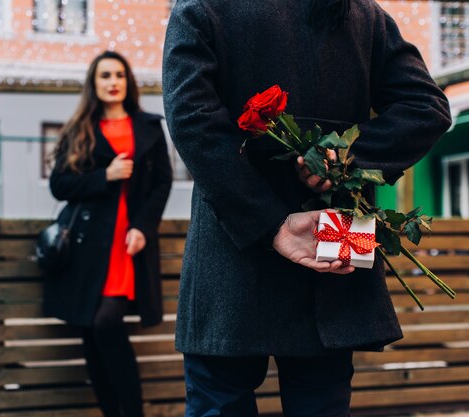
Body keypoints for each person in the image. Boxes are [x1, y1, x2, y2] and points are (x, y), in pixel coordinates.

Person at [162, 0, 451, 416]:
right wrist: (348, 156)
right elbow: (426, 108)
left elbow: (192, 120)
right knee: (322, 402)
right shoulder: (364, 14)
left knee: (220, 402)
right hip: (335, 231)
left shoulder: (204, 6)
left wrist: (267, 222)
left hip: (234, 241)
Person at [46, 51, 173, 417]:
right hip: (87, 251)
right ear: (95, 83)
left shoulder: (149, 126)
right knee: (91, 332)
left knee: (105, 322)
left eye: (119, 74)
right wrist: (105, 176)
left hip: (128, 245)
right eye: (105, 75)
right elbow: (59, 185)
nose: (113, 81)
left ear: (128, 82)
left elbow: (162, 184)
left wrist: (143, 227)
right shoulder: (79, 128)